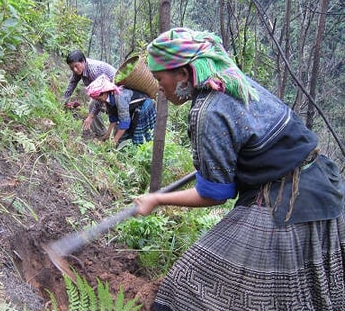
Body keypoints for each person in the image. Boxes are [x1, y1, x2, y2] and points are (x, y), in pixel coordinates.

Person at [133, 27, 345, 310]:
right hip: (324, 183)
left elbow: (215, 194)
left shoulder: (208, 111)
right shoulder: (236, 82)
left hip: (286, 201)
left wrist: (157, 199)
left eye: (160, 79)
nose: (159, 87)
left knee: (185, 288)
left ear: (183, 75)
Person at [85, 75, 156, 147]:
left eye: (99, 99)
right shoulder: (108, 100)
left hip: (144, 106)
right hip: (133, 108)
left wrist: (114, 140)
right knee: (124, 136)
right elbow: (113, 119)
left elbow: (125, 123)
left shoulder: (120, 97)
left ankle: (147, 149)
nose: (99, 101)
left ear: (104, 93)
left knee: (140, 134)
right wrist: (106, 136)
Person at [62, 50, 117, 137]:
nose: (75, 70)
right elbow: (71, 85)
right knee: (94, 105)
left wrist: (91, 117)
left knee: (115, 111)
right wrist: (63, 102)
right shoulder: (78, 70)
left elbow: (101, 96)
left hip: (115, 88)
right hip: (103, 90)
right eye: (72, 68)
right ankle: (101, 134)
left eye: (76, 66)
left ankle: (116, 139)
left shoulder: (93, 71)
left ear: (83, 61)